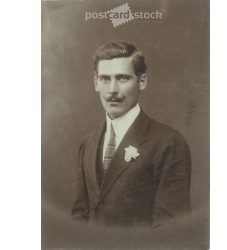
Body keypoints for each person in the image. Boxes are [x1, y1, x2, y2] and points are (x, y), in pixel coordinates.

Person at [72, 40, 191, 228]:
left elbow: (170, 230)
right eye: (105, 79)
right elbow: (79, 218)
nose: (112, 90)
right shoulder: (88, 143)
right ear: (96, 83)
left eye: (122, 78)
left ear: (142, 81)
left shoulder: (168, 143)